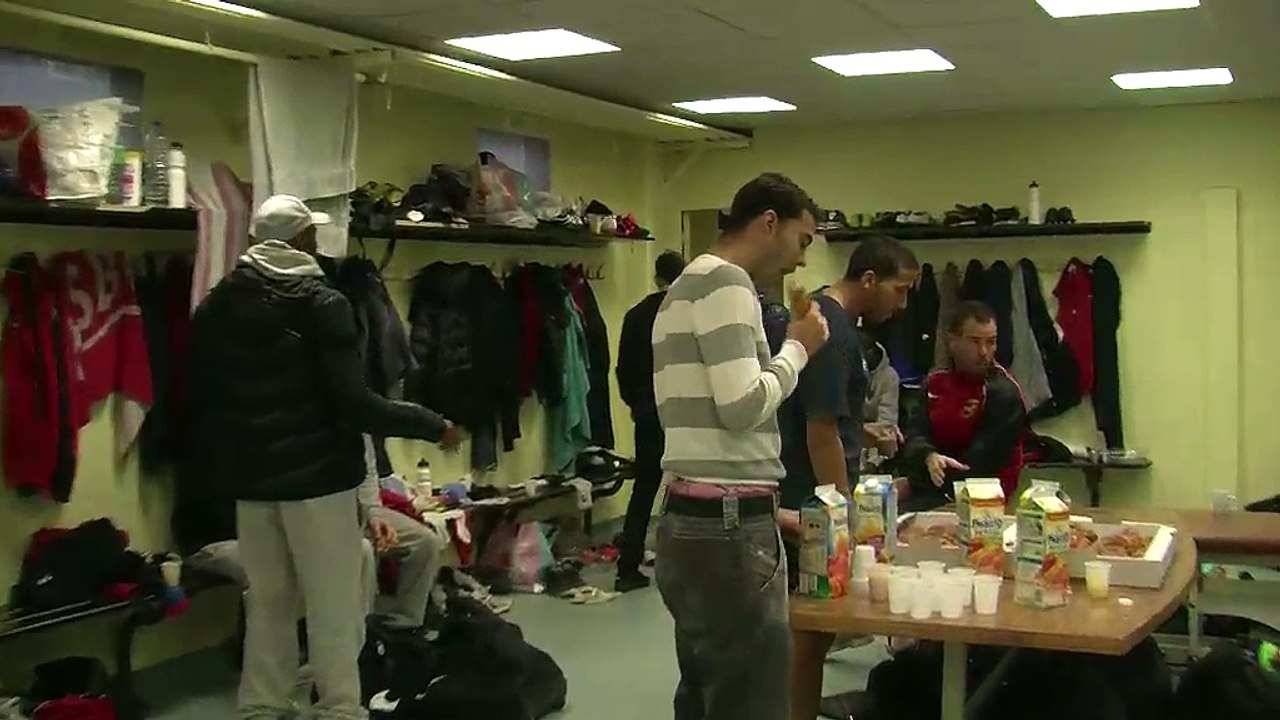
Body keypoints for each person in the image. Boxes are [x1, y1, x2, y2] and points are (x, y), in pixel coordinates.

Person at [184, 194, 461, 720]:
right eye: (312, 234)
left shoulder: (218, 305)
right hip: (320, 482)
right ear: (301, 241)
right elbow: (355, 402)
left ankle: (261, 706)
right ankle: (338, 708)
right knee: (333, 605)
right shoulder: (321, 302)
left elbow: (206, 400)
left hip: (254, 483)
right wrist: (431, 424)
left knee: (268, 602)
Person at [652, 172, 829, 720]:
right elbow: (742, 406)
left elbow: (712, 432)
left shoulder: (685, 285)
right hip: (725, 533)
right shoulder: (728, 284)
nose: (802, 261)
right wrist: (798, 350)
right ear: (769, 223)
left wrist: (769, 510)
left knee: (709, 693)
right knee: (751, 700)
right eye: (802, 241)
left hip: (694, 522)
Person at [777, 237, 919, 720]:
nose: (903, 305)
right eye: (899, 291)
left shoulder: (838, 324)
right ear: (869, 279)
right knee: (810, 635)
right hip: (810, 504)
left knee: (814, 635)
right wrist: (844, 518)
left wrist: (866, 433)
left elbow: (832, 418)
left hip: (813, 494)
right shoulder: (832, 331)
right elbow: (819, 432)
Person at [900, 300, 1028, 511]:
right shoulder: (934, 383)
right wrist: (928, 456)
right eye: (975, 342)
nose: (984, 352)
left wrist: (913, 483)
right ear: (952, 341)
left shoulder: (1003, 393)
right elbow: (914, 433)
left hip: (984, 501)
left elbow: (978, 467)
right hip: (932, 486)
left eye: (991, 342)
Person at [614, 250, 687, 593]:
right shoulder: (688, 313)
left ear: (657, 278)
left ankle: (627, 567)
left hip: (647, 411)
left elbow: (622, 371)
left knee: (644, 489)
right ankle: (685, 564)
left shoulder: (635, 315)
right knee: (690, 488)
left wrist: (637, 405)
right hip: (685, 412)